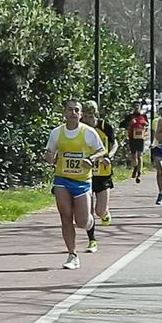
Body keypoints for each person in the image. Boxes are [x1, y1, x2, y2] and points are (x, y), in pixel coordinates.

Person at [45, 100, 106, 270]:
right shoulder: (57, 133)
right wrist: (49, 158)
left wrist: (91, 159)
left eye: (76, 110)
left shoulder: (88, 133)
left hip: (82, 181)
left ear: (80, 114)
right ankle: (72, 255)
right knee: (65, 217)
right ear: (64, 113)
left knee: (82, 221)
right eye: (70, 110)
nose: (73, 113)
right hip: (62, 179)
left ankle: (90, 222)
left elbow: (101, 150)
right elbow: (49, 152)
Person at [81, 100, 118, 253]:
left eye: (90, 117)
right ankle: (92, 240)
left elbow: (115, 143)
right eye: (85, 116)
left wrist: (110, 155)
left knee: (99, 210)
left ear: (95, 115)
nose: (87, 120)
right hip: (86, 174)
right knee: (88, 211)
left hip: (103, 173)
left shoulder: (104, 127)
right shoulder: (80, 129)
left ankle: (105, 213)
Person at [127, 102, 148, 183]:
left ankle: (139, 173)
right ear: (133, 107)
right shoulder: (130, 116)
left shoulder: (143, 116)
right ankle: (135, 167)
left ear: (140, 107)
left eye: (138, 106)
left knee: (139, 155)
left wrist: (145, 124)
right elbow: (123, 125)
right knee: (133, 155)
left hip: (140, 138)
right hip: (132, 137)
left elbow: (147, 125)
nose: (136, 107)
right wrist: (130, 123)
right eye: (135, 106)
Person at [151, 104, 162, 205]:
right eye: (161, 109)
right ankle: (161, 192)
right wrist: (153, 143)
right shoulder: (155, 121)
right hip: (157, 147)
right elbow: (154, 133)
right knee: (160, 170)